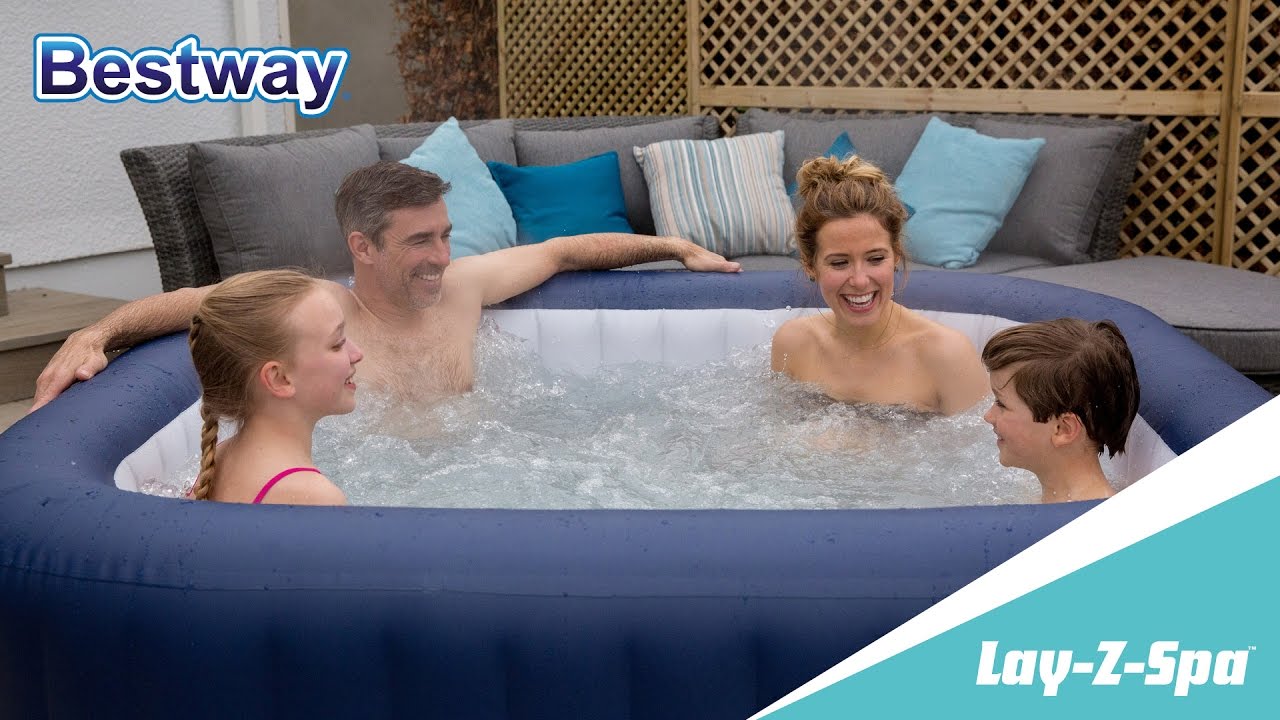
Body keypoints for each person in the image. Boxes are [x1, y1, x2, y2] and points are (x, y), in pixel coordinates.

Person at [30, 161, 740, 412]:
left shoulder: (465, 287)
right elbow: (197, 301)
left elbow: (562, 251)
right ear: (362, 247)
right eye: (420, 241)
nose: (443, 257)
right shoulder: (320, 308)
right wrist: (96, 333)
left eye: (445, 235)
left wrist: (676, 247)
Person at [770, 155, 988, 415]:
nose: (860, 280)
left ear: (896, 254)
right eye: (839, 263)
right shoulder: (793, 343)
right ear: (810, 265)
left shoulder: (947, 355)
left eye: (875, 259)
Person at [187, 269, 361, 504]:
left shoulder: (218, 459)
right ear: (279, 378)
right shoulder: (315, 497)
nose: (357, 354)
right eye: (337, 344)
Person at [981, 318, 1140, 503]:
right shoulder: (1058, 501)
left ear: (1063, 429)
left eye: (1001, 404)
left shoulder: (1092, 518)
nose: (987, 416)